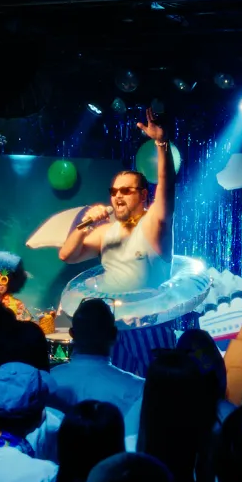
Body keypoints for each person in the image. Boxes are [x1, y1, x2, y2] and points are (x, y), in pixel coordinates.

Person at [57, 108, 184, 375]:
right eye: (114, 191)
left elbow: (167, 185)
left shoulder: (154, 224)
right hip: (115, 329)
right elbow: (67, 255)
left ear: (143, 196)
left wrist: (161, 143)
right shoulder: (105, 232)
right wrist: (85, 223)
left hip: (151, 326)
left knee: (154, 390)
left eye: (126, 191)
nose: (118, 196)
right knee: (118, 388)